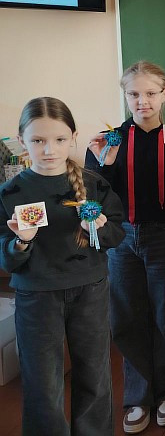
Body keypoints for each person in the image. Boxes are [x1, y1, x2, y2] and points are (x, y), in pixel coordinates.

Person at [0, 96, 125, 436]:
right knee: (42, 383)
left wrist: (98, 228)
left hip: (90, 290)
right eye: (38, 140)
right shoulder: (10, 192)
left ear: (73, 137)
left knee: (94, 376)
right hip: (36, 296)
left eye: (58, 139)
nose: (49, 150)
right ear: (22, 140)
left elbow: (116, 234)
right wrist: (21, 241)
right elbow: (7, 260)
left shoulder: (93, 184)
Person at [85, 61, 165, 433]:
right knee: (127, 317)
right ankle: (137, 396)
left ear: (164, 94)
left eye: (150, 93)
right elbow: (93, 197)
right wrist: (104, 164)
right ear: (125, 96)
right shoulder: (108, 140)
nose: (142, 101)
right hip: (122, 237)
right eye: (133, 94)